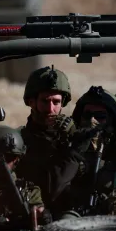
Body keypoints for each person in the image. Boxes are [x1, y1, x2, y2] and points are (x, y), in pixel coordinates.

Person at [66, 86, 116, 216]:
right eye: (87, 115)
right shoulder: (68, 147)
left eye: (100, 116)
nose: (92, 121)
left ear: (113, 122)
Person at [16, 66, 84, 218]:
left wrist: (75, 141)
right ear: (31, 102)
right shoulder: (19, 140)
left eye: (56, 102)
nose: (50, 109)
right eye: (45, 101)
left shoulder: (76, 138)